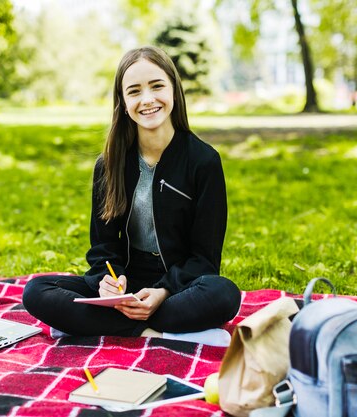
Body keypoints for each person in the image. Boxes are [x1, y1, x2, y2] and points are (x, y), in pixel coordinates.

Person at [23, 46, 241, 346]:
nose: (147, 99)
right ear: (123, 103)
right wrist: (108, 282)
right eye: (134, 91)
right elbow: (103, 249)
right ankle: (155, 333)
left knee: (224, 295)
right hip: (126, 284)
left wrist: (163, 291)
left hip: (178, 288)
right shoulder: (109, 164)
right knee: (36, 292)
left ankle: (100, 327)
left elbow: (204, 259)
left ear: (174, 91)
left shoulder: (203, 162)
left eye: (157, 86)